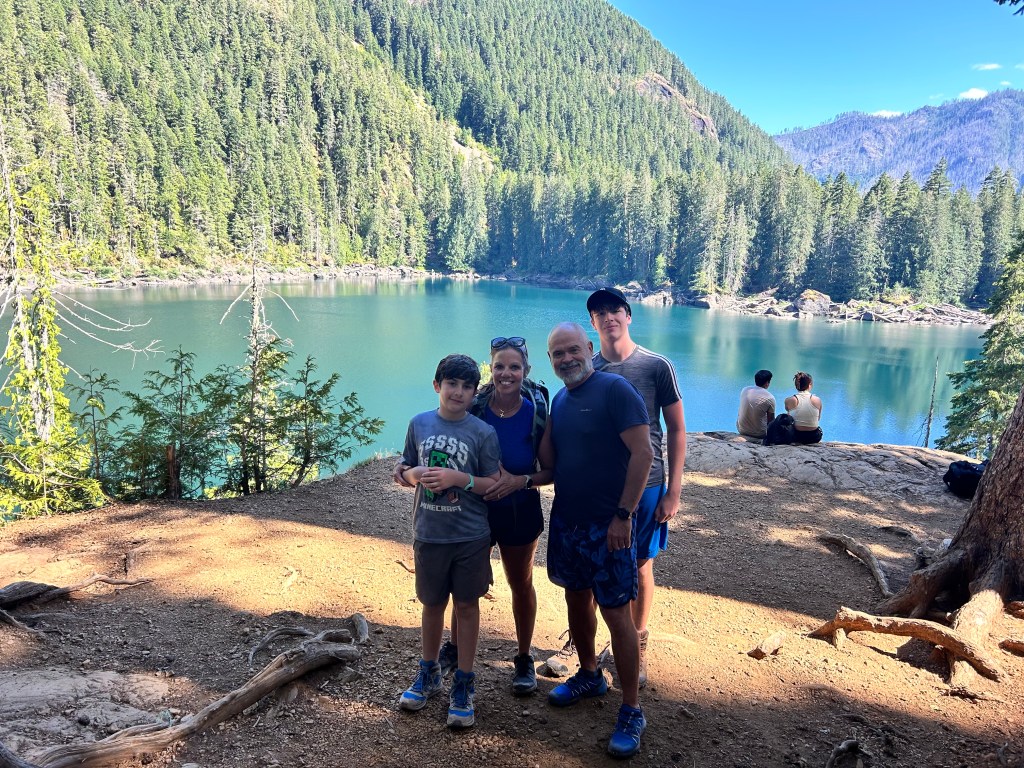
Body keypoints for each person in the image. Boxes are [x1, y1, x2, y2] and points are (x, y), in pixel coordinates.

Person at [540, 322, 654, 759]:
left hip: (610, 525)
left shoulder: (615, 390)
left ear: (589, 347)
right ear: (551, 360)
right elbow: (553, 462)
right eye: (558, 354)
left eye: (573, 349)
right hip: (569, 522)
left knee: (617, 613)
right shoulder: (560, 399)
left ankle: (631, 709)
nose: (567, 358)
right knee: (575, 599)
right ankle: (589, 674)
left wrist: (623, 515)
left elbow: (644, 453)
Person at [429, 336, 554, 696]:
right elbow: (445, 437)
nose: (506, 373)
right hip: (475, 510)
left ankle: (525, 657)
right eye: (499, 366)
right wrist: (408, 467)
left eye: (514, 366)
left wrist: (519, 481)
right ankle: (455, 647)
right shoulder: (476, 406)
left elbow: (550, 471)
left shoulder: (537, 412)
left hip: (519, 510)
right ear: (491, 369)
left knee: (520, 582)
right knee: (465, 585)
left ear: (525, 370)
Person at [394, 354, 502, 729]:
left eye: (467, 386)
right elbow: (403, 469)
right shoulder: (419, 424)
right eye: (451, 384)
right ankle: (429, 672)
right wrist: (414, 475)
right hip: (429, 533)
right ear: (437, 385)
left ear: (474, 392)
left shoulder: (482, 433)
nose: (458, 392)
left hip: (470, 536)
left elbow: (492, 484)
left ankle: (464, 682)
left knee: (467, 605)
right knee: (432, 604)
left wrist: (459, 479)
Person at [587, 286, 685, 689]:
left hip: (649, 484)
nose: (608, 317)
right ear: (593, 323)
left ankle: (637, 644)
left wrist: (674, 491)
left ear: (628, 316)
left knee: (641, 563)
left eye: (615, 310)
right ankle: (601, 642)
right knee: (600, 563)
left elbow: (676, 429)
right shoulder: (589, 369)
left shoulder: (656, 366)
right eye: (599, 313)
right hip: (602, 487)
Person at [784, 371, 823, 445]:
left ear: (796, 385)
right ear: (810, 384)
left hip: (795, 436)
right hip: (814, 437)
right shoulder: (817, 400)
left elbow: (789, 417)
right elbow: (818, 419)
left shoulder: (789, 400)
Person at [737, 369, 776, 439]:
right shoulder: (770, 397)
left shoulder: (745, 389)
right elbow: (771, 421)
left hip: (741, 430)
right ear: (767, 383)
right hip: (759, 434)